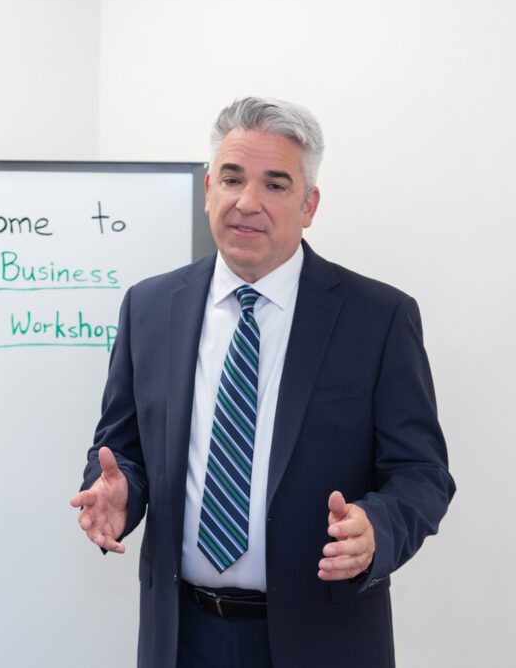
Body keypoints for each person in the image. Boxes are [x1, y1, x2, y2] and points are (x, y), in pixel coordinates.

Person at [71, 97, 455, 668]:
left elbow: (422, 474)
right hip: (180, 638)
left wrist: (378, 527)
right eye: (232, 178)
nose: (247, 202)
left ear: (309, 205)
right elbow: (123, 450)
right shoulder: (150, 308)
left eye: (275, 185)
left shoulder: (377, 318)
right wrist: (121, 492)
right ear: (208, 190)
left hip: (323, 639)